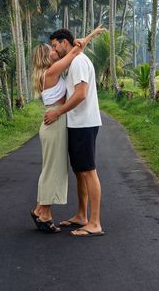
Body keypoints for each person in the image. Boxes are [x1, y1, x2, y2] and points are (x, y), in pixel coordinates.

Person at [31, 26, 103, 234]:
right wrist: (88, 36)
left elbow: (75, 50)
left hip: (66, 121)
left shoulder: (71, 63)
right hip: (56, 122)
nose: (54, 50)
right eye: (51, 49)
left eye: (55, 46)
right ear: (47, 57)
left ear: (63, 44)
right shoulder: (53, 71)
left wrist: (90, 35)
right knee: (55, 169)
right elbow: (74, 49)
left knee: (79, 170)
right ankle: (42, 211)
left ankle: (89, 221)